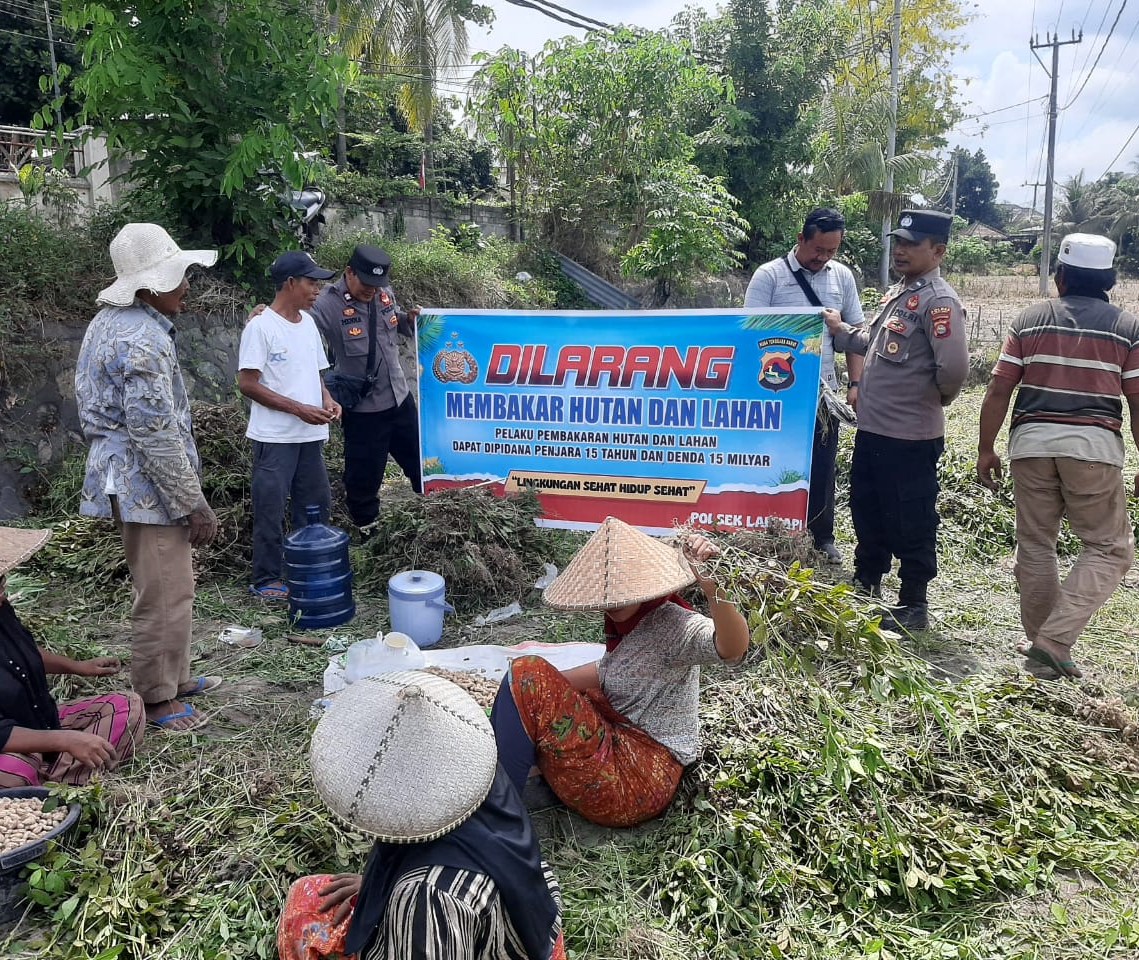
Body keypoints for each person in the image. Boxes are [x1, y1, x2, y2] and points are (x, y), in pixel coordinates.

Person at [279, 671, 566, 960]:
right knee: (310, 894)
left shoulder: (425, 897)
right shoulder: (477, 775)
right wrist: (381, 880)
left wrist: (400, 892)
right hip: (534, 921)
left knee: (304, 914)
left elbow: (430, 923)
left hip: (473, 936)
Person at [976, 234, 1139, 680]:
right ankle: (1054, 643)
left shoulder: (1030, 320)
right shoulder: (1129, 328)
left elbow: (1000, 387)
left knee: (1037, 546)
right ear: (1110, 281)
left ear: (1060, 277)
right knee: (1110, 548)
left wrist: (987, 447)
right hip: (1093, 452)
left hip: (1030, 447)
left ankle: (1043, 646)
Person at [488, 517, 749, 829]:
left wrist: (713, 589)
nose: (611, 605)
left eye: (621, 593)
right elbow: (606, 672)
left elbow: (732, 648)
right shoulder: (625, 629)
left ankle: (498, 817)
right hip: (620, 753)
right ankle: (529, 782)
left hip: (635, 780)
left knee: (527, 671)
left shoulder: (674, 626)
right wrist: (529, 695)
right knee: (533, 683)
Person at [76, 222, 223, 732]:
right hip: (144, 482)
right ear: (150, 286)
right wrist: (193, 503)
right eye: (179, 277)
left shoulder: (112, 322)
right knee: (162, 590)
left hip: (133, 476)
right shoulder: (142, 339)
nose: (187, 286)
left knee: (173, 584)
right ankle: (156, 697)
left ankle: (176, 676)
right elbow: (154, 434)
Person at [0, 519, 144, 814]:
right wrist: (66, 739)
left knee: (126, 707)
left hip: (28, 724)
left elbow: (18, 653)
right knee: (12, 772)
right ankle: (49, 790)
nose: (5, 589)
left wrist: (77, 666)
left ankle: (44, 791)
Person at [822, 209, 970, 632]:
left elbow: (954, 370)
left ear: (938, 251)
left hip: (910, 435)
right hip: (874, 428)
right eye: (899, 242)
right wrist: (840, 329)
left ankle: (913, 602)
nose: (901, 251)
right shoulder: (902, 294)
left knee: (911, 516)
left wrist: (932, 399)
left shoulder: (938, 301)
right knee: (868, 508)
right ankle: (867, 580)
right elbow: (873, 342)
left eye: (912, 245)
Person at [744, 207, 866, 562]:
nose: (823, 258)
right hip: (775, 393)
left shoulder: (841, 278)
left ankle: (821, 536)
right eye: (818, 250)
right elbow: (750, 333)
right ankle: (771, 531)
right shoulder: (769, 277)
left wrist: (855, 383)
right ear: (801, 239)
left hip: (823, 395)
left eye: (831, 251)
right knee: (772, 461)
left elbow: (856, 335)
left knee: (822, 465)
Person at [238, 251, 343, 600]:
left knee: (315, 507)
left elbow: (316, 374)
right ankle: (266, 579)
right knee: (270, 509)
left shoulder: (308, 323)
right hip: (275, 438)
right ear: (290, 283)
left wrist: (326, 400)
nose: (317, 290)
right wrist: (299, 409)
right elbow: (248, 384)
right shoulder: (261, 327)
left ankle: (308, 570)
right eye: (312, 283)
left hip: (310, 435)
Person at [310, 244, 423, 539]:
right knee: (363, 482)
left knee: (423, 465)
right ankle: (368, 537)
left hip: (400, 400)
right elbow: (294, 325)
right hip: (364, 412)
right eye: (366, 284)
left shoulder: (383, 292)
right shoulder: (327, 304)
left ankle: (432, 524)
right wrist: (267, 316)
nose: (372, 290)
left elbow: (392, 321)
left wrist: (410, 320)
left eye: (377, 285)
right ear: (349, 273)